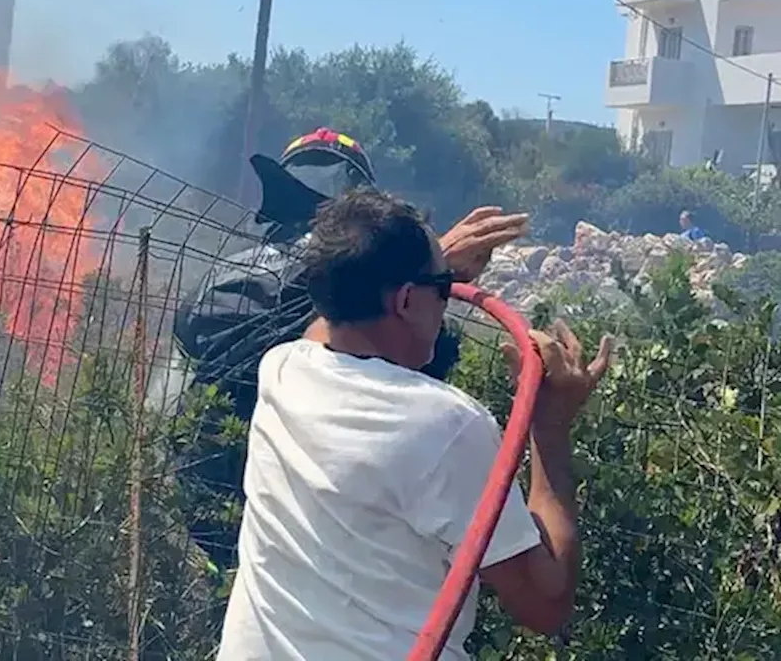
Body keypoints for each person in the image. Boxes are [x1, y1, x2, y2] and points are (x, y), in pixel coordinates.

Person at [216, 188, 613, 660]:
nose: (447, 299)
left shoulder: (282, 369)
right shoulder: (449, 427)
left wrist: (429, 273)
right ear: (405, 301)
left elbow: (329, 326)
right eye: (442, 290)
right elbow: (544, 604)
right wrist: (549, 427)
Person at [147, 128, 530, 568]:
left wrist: (420, 278)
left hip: (206, 512)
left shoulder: (225, 275)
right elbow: (418, 371)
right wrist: (426, 274)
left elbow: (167, 400)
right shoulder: (328, 297)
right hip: (307, 537)